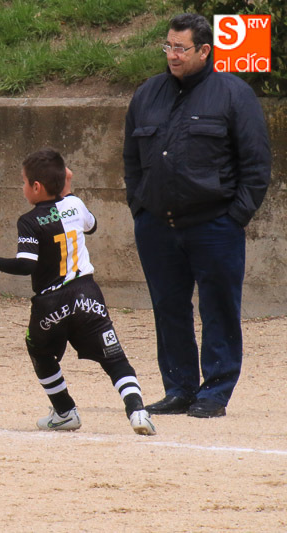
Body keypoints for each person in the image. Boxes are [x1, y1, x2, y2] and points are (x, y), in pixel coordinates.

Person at [123, 13, 271, 418]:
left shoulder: (234, 94)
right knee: (168, 308)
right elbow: (131, 159)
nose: (172, 55)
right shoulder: (147, 94)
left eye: (181, 48)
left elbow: (256, 163)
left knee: (219, 308)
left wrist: (235, 215)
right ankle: (179, 388)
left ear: (204, 50)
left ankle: (215, 392)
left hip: (215, 225)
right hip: (157, 225)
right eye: (168, 46)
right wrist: (139, 206)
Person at [0, 148, 156, 436]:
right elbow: (92, 226)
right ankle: (137, 412)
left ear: (36, 187)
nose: (22, 187)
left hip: (51, 302)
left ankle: (65, 411)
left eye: (23, 182)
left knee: (39, 350)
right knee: (114, 358)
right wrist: (67, 191)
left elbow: (26, 265)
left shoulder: (29, 221)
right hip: (87, 295)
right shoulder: (76, 205)